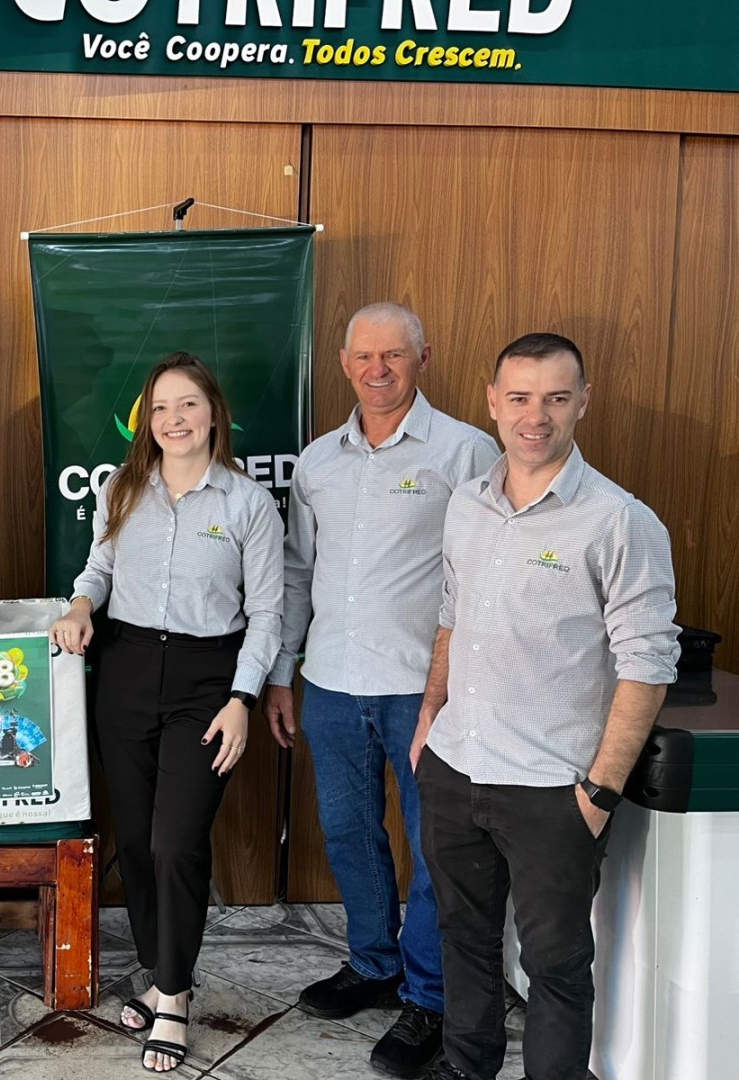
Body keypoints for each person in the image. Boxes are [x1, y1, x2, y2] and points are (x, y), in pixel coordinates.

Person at [410, 333, 679, 1080]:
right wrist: (430, 718)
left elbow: (648, 665)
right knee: (464, 942)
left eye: (556, 398)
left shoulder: (620, 520)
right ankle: (467, 1067)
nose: (537, 416)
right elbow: (451, 617)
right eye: (520, 398)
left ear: (582, 403)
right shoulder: (468, 502)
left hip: (553, 790)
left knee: (555, 967)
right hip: (456, 768)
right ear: (493, 403)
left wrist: (600, 793)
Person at [261, 303, 499, 1078]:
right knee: (348, 833)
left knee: (436, 850)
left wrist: (460, 683)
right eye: (364, 355)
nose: (378, 369)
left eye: (393, 355)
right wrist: (282, 672)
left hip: (426, 692)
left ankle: (430, 997)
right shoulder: (318, 461)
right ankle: (373, 963)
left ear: (422, 358)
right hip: (331, 682)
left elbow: (486, 574)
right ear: (343, 363)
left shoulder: (466, 451)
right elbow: (298, 571)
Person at [51, 352, 283, 1073]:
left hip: (207, 682)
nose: (173, 419)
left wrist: (243, 699)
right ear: (145, 421)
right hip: (124, 673)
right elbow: (99, 568)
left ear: (214, 414)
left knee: (177, 841)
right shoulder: (123, 489)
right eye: (159, 407)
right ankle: (159, 972)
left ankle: (174, 998)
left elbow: (267, 614)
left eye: (187, 405)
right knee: (137, 840)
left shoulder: (248, 503)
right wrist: (81, 604)